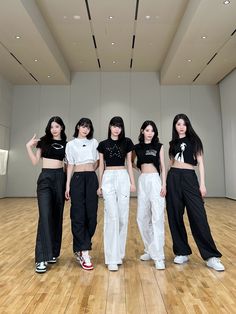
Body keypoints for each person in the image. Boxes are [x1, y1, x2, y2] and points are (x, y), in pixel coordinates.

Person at [166, 113, 225, 271]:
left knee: (198, 216)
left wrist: (203, 184)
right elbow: (170, 163)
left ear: (187, 125)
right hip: (173, 178)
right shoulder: (173, 143)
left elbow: (201, 163)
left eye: (184, 124)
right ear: (175, 126)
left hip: (189, 178)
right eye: (178, 124)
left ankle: (211, 256)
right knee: (174, 215)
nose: (181, 126)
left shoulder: (195, 141)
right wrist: (165, 184)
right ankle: (182, 252)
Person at [26, 116, 67, 273]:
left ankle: (52, 253)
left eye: (57, 126)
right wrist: (28, 146)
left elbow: (68, 165)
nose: (54, 129)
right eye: (52, 127)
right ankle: (41, 258)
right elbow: (35, 161)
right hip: (45, 179)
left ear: (61, 128)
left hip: (60, 179)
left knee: (57, 215)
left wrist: (67, 185)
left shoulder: (66, 144)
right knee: (45, 215)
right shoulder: (43, 141)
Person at [97, 116, 136, 271]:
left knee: (122, 217)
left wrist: (132, 183)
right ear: (110, 127)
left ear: (121, 128)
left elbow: (129, 164)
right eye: (114, 125)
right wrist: (100, 185)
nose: (116, 128)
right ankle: (111, 258)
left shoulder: (127, 142)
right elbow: (101, 166)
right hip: (108, 177)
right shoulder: (102, 145)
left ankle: (119, 253)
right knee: (111, 217)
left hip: (123, 177)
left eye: (119, 126)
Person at [65, 118, 99, 271]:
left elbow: (98, 161)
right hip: (77, 179)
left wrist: (91, 170)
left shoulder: (94, 143)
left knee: (91, 216)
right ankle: (84, 252)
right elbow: (70, 165)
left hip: (91, 178)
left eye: (88, 127)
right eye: (83, 126)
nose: (85, 129)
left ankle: (80, 247)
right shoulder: (70, 145)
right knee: (78, 215)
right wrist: (67, 185)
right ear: (78, 126)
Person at [132, 120, 166, 269]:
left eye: (152, 130)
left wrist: (164, 184)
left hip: (155, 181)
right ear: (142, 131)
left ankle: (159, 257)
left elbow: (163, 167)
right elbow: (132, 162)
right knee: (142, 217)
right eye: (147, 130)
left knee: (157, 217)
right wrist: (139, 169)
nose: (150, 133)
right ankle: (150, 249)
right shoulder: (137, 147)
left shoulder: (159, 146)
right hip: (143, 181)